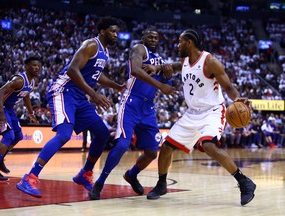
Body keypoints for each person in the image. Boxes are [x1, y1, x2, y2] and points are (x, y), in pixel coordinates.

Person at [16, 17, 125, 197]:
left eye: (117, 32)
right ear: (103, 31)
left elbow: (96, 76)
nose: (116, 35)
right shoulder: (91, 44)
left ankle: (85, 173)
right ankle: (30, 177)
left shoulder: (105, 52)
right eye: (113, 31)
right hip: (63, 91)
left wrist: (117, 86)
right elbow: (72, 70)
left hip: (79, 97)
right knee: (64, 135)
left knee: (103, 134)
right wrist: (93, 94)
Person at [145, 29, 256, 206]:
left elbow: (228, 86)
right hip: (192, 113)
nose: (177, 45)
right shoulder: (185, 61)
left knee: (208, 145)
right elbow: (173, 66)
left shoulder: (210, 62)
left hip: (212, 111)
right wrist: (157, 68)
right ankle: (161, 184)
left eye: (180, 41)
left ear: (189, 43)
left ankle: (244, 182)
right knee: (166, 147)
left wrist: (236, 99)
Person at [89, 28, 174, 200]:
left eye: (155, 37)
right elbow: (135, 70)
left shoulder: (162, 61)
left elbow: (167, 88)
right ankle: (100, 182)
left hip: (148, 109)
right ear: (143, 38)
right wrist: (161, 85)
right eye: (149, 36)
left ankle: (132, 174)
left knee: (151, 152)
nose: (152, 38)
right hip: (130, 103)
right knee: (122, 144)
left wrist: (169, 77)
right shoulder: (139, 49)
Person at [0, 56, 41, 180]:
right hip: (0, 107)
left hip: (9, 109)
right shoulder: (19, 80)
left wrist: (31, 113)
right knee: (9, 136)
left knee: (18, 136)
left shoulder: (31, 82)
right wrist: (0, 113)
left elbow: (26, 96)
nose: (36, 68)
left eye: (38, 66)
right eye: (33, 65)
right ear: (27, 67)